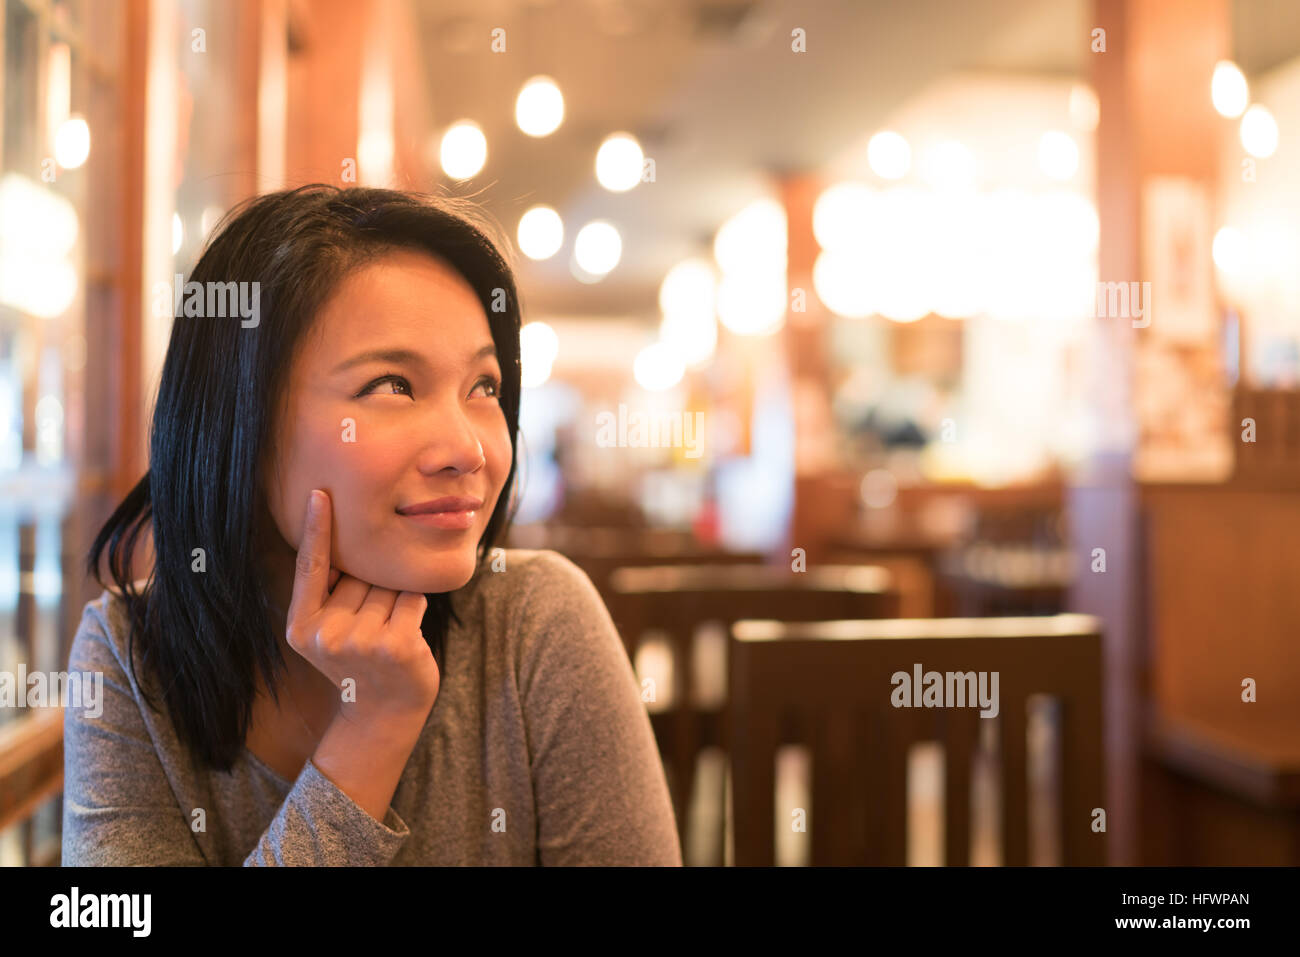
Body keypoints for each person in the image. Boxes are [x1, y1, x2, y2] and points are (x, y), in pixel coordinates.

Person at [62, 185, 681, 865]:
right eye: (391, 385)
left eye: (484, 387)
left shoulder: (536, 625)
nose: (471, 449)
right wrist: (373, 728)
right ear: (240, 421)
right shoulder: (129, 658)